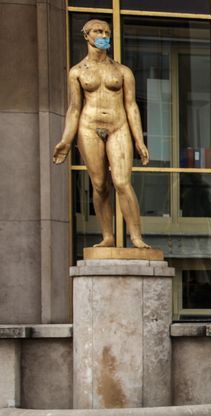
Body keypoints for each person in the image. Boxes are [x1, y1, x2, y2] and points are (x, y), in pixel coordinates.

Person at [53, 18, 151, 249]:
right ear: (86, 35)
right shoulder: (77, 72)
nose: (103, 34)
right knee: (98, 184)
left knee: (121, 182)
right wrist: (66, 141)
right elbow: (74, 108)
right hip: (89, 127)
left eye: (107, 31)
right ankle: (108, 236)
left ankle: (136, 236)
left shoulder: (122, 71)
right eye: (98, 31)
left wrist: (139, 140)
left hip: (118, 127)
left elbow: (131, 106)